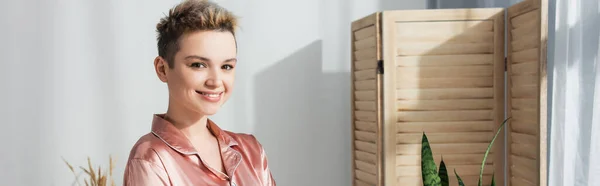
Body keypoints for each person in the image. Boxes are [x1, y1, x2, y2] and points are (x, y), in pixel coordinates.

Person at [123, 0, 275, 185]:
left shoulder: (251, 151)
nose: (216, 81)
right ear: (162, 69)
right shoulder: (151, 158)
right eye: (198, 65)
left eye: (226, 66)